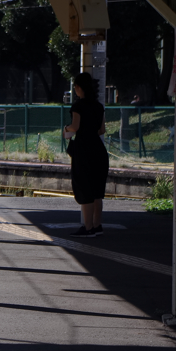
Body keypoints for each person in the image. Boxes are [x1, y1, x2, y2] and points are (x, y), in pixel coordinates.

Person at [64, 72, 109, 237]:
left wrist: (66, 129)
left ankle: (88, 227)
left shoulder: (78, 106)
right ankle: (97, 226)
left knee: (84, 189)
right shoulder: (98, 106)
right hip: (98, 150)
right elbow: (102, 130)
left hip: (84, 150)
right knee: (97, 191)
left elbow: (75, 126)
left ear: (78, 88)